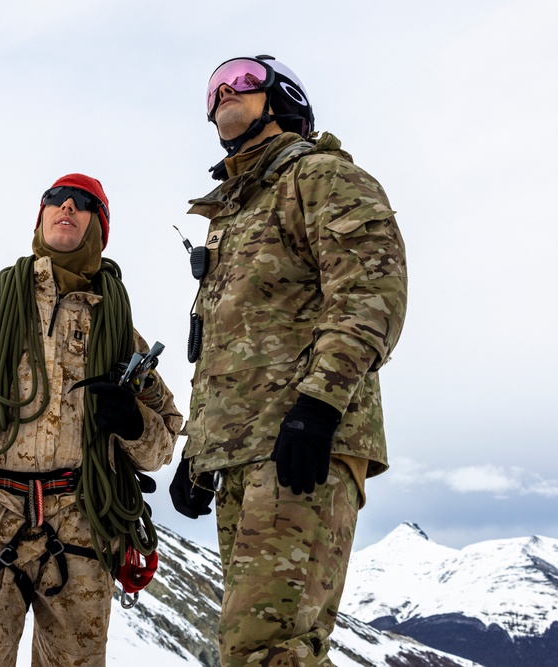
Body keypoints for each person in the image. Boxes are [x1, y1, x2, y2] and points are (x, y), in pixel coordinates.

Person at [168, 55, 408, 666]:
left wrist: (318, 405)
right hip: (242, 455)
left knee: (269, 650)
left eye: (243, 79)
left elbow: (371, 293)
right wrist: (199, 453)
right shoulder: (235, 211)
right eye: (214, 87)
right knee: (262, 651)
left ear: (285, 99)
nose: (225, 90)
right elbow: (226, 345)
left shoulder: (321, 177)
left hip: (300, 447)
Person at [0, 173, 183, 666]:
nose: (66, 207)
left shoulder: (119, 333)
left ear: (98, 227)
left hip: (83, 523)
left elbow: (164, 442)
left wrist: (133, 422)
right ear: (40, 215)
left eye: (83, 204)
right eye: (55, 199)